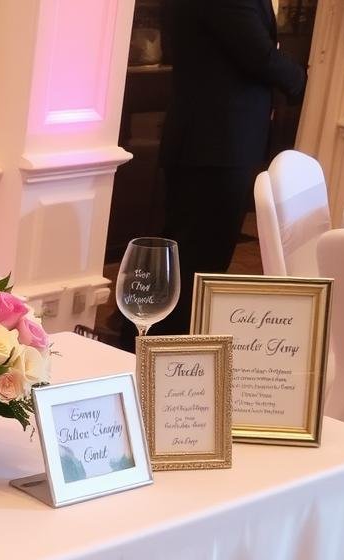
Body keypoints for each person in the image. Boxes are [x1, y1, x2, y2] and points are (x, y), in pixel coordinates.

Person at [142, 0, 306, 340]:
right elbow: (258, 55)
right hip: (214, 143)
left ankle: (166, 344)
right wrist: (303, 79)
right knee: (198, 259)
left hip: (214, 142)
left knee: (190, 254)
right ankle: (171, 350)